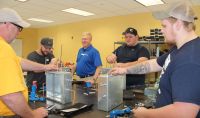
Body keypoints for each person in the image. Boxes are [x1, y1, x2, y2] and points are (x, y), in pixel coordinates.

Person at [109, 2, 200, 118]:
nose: (161, 30)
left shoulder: (190, 58)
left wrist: (145, 114)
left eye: (164, 26)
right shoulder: (178, 50)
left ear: (178, 24)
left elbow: (183, 113)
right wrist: (124, 70)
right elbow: (152, 64)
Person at [0, 8, 57, 117]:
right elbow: (10, 96)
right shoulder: (3, 48)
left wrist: (47, 67)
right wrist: (32, 115)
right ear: (7, 24)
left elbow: (19, 61)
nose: (18, 32)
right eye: (19, 28)